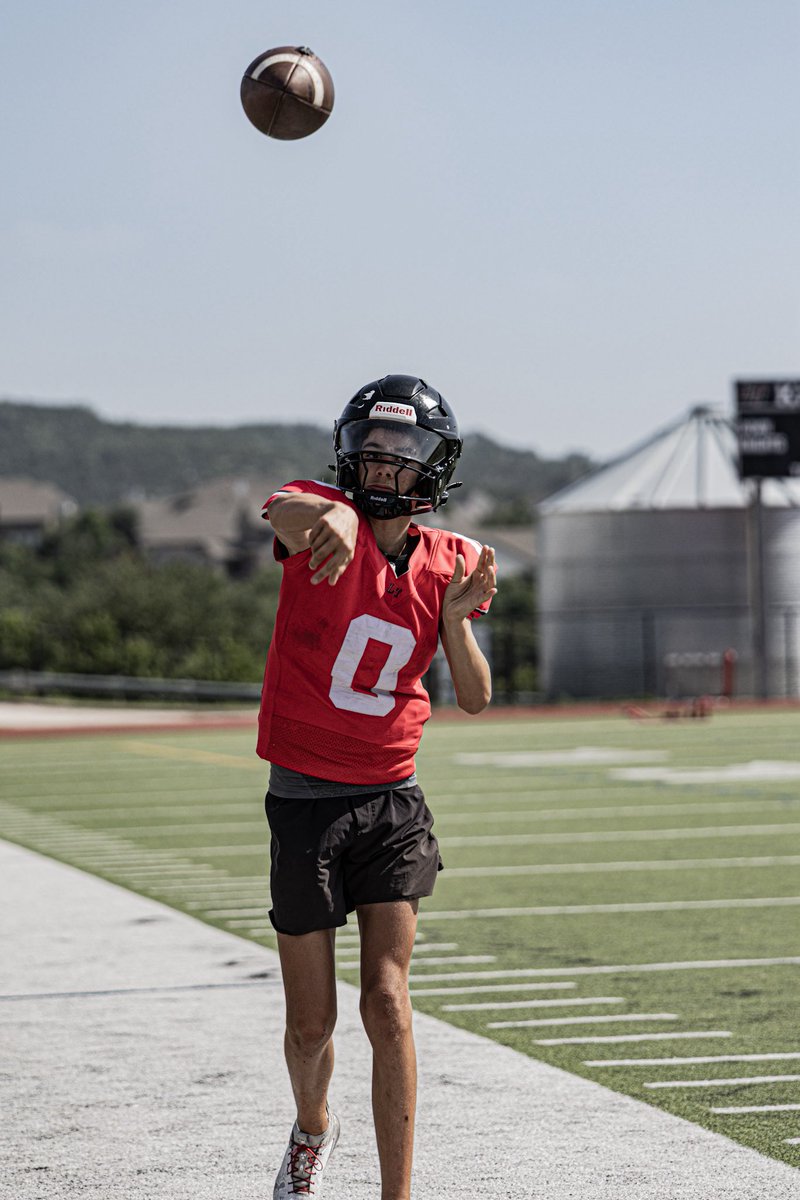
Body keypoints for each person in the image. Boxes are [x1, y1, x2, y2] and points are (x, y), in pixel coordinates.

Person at [258, 374, 496, 1199]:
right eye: (374, 447)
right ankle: (312, 1127)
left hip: (393, 797)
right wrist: (331, 516)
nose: (386, 463)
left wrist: (456, 622)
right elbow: (284, 512)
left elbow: (474, 698)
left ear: (433, 464)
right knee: (310, 1024)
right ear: (350, 452)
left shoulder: (454, 560)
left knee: (387, 1002)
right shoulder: (318, 515)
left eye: (404, 451)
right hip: (305, 797)